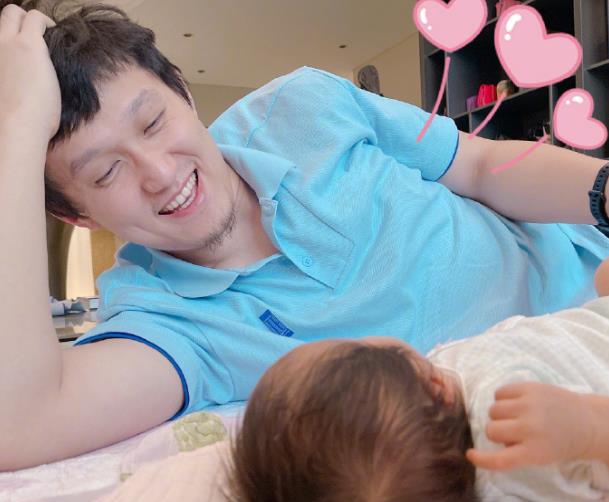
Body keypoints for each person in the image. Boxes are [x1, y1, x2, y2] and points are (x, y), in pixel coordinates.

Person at [2, 0, 609, 471]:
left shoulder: (304, 104)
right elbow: (21, 425)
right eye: (106, 173)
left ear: (183, 92)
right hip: (564, 404)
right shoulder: (166, 322)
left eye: (154, 122)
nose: (159, 174)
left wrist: (603, 191)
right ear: (77, 216)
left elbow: (478, 167)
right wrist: (17, 131)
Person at [228, 257, 609, 502]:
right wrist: (591, 428)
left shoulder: (432, 419)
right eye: (355, 344)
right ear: (435, 385)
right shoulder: (508, 443)